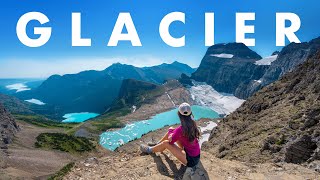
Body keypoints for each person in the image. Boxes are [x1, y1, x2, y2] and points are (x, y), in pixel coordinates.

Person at [140, 102, 201, 168]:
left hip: (190, 161)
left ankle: (149, 150)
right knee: (173, 131)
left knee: (166, 143)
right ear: (190, 113)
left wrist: (170, 132)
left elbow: (170, 142)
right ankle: (158, 145)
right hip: (196, 156)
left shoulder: (181, 129)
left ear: (179, 114)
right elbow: (177, 133)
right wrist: (172, 131)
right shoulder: (193, 123)